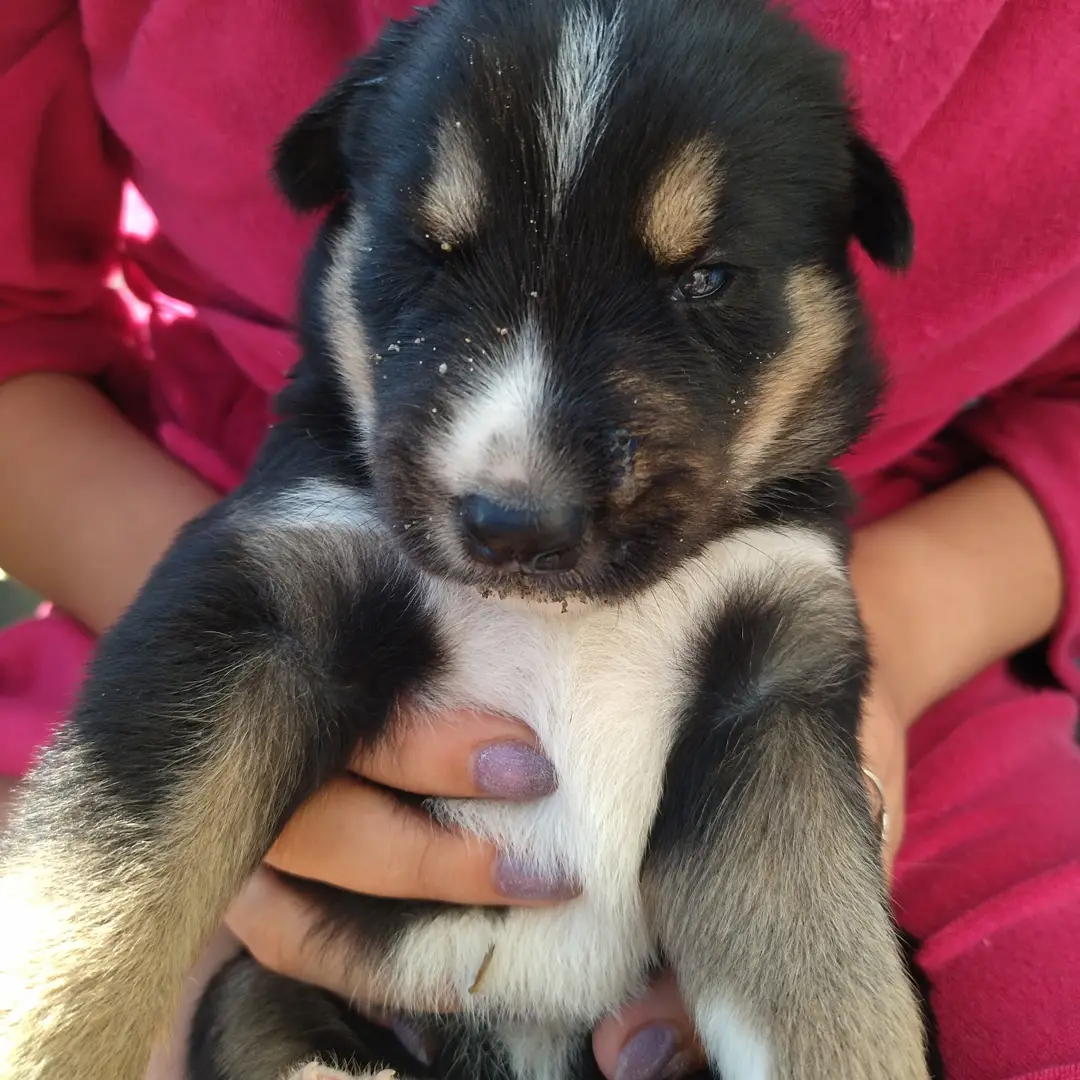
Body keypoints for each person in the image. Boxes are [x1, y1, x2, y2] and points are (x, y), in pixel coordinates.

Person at [2, 1, 1079, 1077]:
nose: (521, 475)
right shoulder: (327, 524)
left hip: (942, 683)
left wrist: (887, 653)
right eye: (432, 257)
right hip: (294, 946)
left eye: (702, 283)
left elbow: (810, 941)